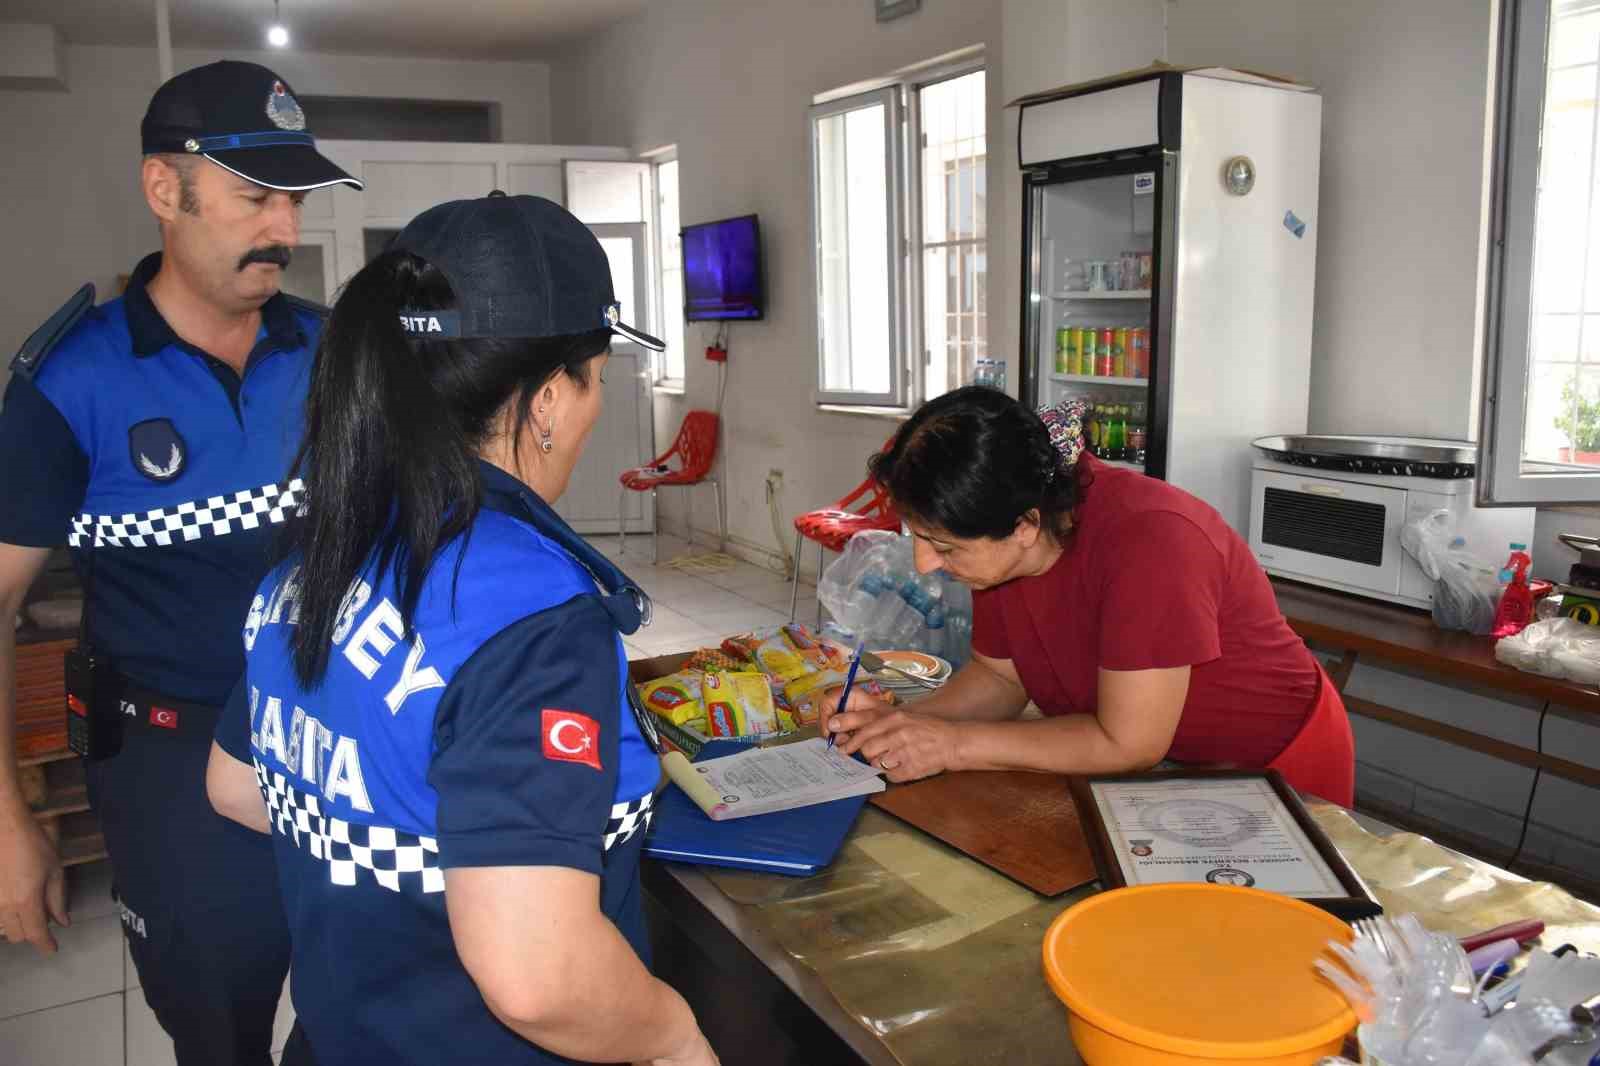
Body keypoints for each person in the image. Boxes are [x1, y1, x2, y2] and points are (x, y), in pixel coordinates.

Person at [205, 192, 718, 1066]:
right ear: (550, 397)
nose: (593, 412)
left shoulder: (331, 546)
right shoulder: (528, 610)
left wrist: (424, 854)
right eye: (597, 378)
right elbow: (536, 975)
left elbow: (236, 785)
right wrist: (674, 1038)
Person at [0, 61, 360, 1064]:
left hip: (333, 736)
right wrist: (8, 821)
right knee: (220, 1031)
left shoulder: (333, 353)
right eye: (256, 198)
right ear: (167, 190)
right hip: (169, 771)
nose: (285, 230)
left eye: (294, 201)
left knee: (363, 1006)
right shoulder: (72, 384)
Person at [821, 388, 1355, 806]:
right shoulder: (1005, 537)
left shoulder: (1152, 543)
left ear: (1025, 525)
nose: (925, 563)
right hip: (1164, 767)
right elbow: (1001, 677)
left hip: (1272, 764)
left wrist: (953, 745)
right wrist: (902, 729)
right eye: (919, 538)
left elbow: (1128, 743)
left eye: (942, 546)